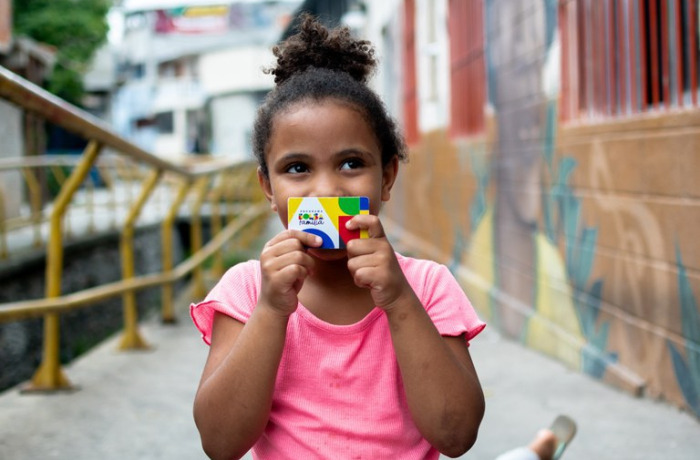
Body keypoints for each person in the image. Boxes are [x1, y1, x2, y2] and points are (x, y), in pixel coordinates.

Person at [190, 14, 486, 460]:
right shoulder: (247, 292)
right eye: (297, 168)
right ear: (269, 189)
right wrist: (271, 309)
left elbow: (457, 434)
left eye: (351, 163)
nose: (326, 190)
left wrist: (400, 301)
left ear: (386, 177)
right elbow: (219, 442)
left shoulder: (426, 287)